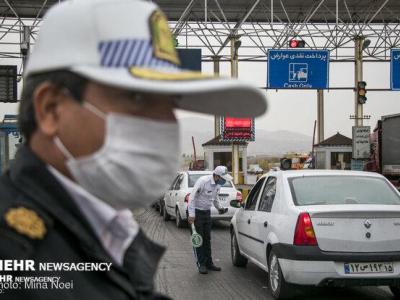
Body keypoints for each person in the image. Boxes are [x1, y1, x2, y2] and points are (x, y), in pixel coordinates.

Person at [0, 0, 267, 299]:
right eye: (139, 98)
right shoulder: (12, 250)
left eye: (170, 105)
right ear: (50, 110)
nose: (164, 125)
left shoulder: (107, 225)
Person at [187, 166, 232, 274]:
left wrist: (220, 208)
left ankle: (209, 263)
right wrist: (192, 215)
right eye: (223, 178)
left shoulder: (217, 185)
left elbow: (215, 199)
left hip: (207, 213)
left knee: (207, 239)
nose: (224, 181)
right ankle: (201, 264)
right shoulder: (203, 181)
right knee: (199, 240)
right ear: (216, 176)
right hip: (196, 213)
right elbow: (191, 198)